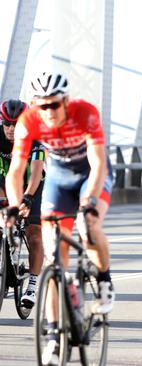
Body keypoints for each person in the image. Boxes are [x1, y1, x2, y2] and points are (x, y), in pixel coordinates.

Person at [5, 72, 114, 364]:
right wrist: (16, 205)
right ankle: (53, 334)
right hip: (60, 180)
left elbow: (99, 161)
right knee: (55, 258)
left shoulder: (85, 113)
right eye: (42, 106)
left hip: (91, 175)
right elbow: (17, 169)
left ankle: (104, 279)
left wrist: (89, 201)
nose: (48, 112)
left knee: (88, 225)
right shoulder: (29, 121)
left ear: (65, 101)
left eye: (54, 105)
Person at [0, 99, 45, 308]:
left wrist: (27, 197)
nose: (10, 129)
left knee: (34, 233)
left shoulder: (34, 138)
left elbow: (36, 171)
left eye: (15, 124)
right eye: (6, 123)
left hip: (32, 185)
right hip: (5, 182)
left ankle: (33, 285)